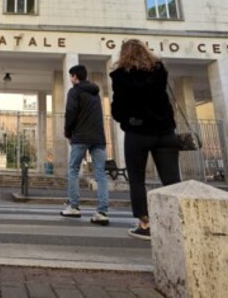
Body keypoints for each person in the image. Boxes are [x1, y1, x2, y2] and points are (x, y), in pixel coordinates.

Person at [109, 39, 181, 240]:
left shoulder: (121, 76)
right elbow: (166, 101)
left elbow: (118, 108)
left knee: (137, 180)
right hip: (164, 132)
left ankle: (146, 223)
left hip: (137, 133)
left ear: (123, 55)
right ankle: (175, 222)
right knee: (172, 180)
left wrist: (127, 120)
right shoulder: (159, 70)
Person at [60, 65, 109, 226]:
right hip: (98, 137)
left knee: (73, 170)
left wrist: (68, 132)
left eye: (71, 77)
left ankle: (74, 207)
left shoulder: (74, 92)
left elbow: (71, 112)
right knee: (101, 174)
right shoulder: (95, 93)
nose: (70, 79)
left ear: (75, 77)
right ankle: (102, 212)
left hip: (80, 136)